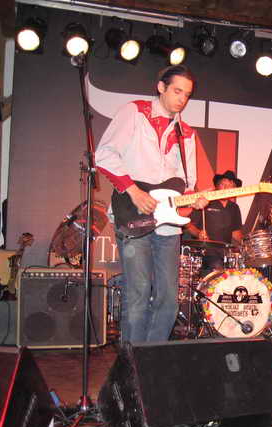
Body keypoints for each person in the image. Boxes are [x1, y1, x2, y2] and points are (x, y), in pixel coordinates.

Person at [95, 65, 208, 343]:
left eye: (187, 94)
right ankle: (131, 358)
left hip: (168, 225)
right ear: (161, 87)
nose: (182, 99)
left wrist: (194, 199)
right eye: (177, 91)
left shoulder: (187, 133)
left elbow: (186, 183)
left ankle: (152, 355)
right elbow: (105, 154)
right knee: (138, 291)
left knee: (169, 298)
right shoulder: (135, 112)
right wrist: (134, 191)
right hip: (133, 214)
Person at [185, 170, 244, 273]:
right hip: (206, 253)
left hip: (225, 254)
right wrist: (198, 233)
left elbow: (235, 233)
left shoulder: (234, 207)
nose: (226, 189)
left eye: (230, 186)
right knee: (217, 266)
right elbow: (187, 224)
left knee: (240, 268)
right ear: (217, 186)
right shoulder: (205, 202)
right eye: (223, 185)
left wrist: (248, 244)